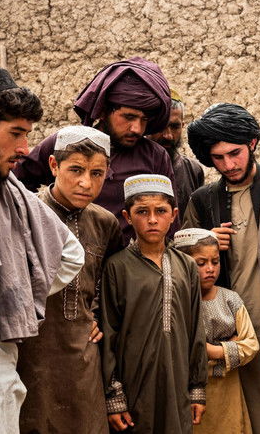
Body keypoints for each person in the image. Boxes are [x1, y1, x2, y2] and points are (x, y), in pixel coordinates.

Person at [183, 103, 260, 434]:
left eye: (234, 153)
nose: (228, 165)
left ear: (252, 143)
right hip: (232, 328)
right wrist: (204, 242)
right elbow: (180, 263)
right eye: (218, 158)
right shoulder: (203, 200)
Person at [0, 67, 84, 429]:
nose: (25, 149)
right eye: (15, 134)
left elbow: (70, 254)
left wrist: (20, 291)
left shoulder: (8, 191)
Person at [18, 126, 123, 433]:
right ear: (54, 165)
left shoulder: (105, 223)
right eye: (76, 170)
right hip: (31, 351)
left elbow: (111, 282)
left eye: (97, 173)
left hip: (83, 354)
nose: (85, 183)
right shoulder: (27, 213)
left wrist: (98, 316)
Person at [14, 57, 178, 242]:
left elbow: (168, 221)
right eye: (129, 117)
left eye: (144, 120)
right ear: (103, 110)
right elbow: (16, 184)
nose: (137, 129)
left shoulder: (155, 156)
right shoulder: (67, 142)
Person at [101, 174, 207, 433]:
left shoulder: (186, 266)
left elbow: (196, 328)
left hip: (178, 381)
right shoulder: (117, 266)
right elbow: (109, 332)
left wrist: (197, 387)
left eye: (160, 211)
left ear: (173, 215)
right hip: (134, 383)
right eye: (142, 212)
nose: (152, 220)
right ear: (127, 216)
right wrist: (114, 395)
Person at [173, 228, 258, 434]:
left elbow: (251, 345)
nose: (210, 269)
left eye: (215, 262)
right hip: (188, 392)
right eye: (201, 263)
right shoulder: (176, 302)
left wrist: (213, 350)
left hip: (227, 392)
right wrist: (230, 345)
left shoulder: (230, 299)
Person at [149, 90, 204, 222]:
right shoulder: (131, 167)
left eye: (175, 127)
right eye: (161, 126)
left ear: (182, 126)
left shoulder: (193, 170)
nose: (168, 135)